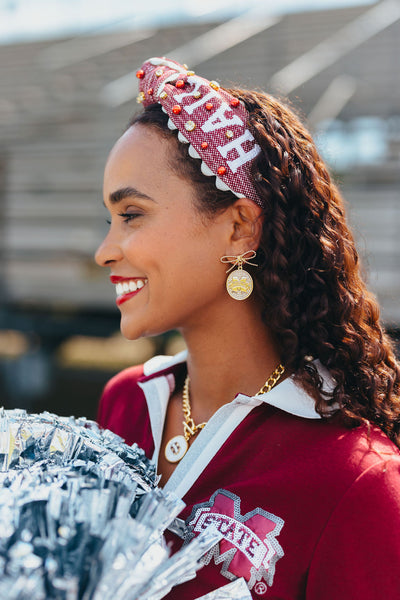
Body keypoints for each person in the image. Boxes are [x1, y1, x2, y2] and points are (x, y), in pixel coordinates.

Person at [95, 57, 400, 599]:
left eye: (132, 215)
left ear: (239, 229)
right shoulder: (124, 404)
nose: (105, 251)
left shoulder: (357, 481)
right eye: (110, 218)